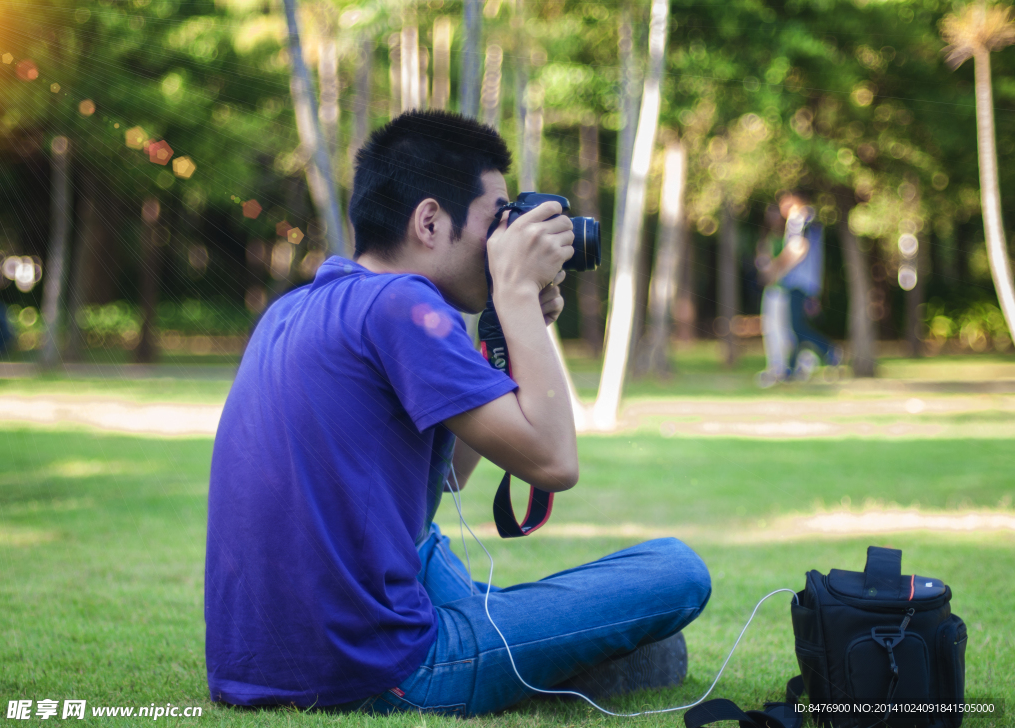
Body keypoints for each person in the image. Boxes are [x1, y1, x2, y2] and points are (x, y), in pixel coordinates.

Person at [204, 110, 711, 716]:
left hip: (256, 665)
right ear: (428, 220)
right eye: (498, 219)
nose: (505, 240)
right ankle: (552, 654)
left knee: (422, 541)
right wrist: (518, 295)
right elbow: (553, 462)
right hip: (377, 671)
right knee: (678, 570)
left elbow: (446, 479)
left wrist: (516, 325)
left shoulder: (296, 308)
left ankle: (541, 649)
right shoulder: (404, 304)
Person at [755, 192, 840, 387]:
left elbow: (798, 248)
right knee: (795, 327)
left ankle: (829, 351)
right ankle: (792, 369)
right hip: (807, 283)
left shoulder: (800, 219)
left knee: (796, 327)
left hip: (798, 283)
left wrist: (777, 268)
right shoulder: (812, 220)